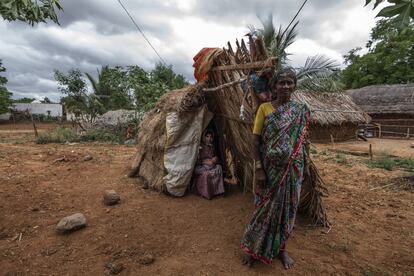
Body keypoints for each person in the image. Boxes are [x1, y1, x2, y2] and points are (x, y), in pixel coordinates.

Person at [240, 68, 310, 269]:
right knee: (264, 209)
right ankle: (252, 248)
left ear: (294, 86)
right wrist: (259, 168)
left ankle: (281, 250)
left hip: (293, 170)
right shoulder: (265, 109)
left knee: (287, 211)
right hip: (269, 170)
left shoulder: (301, 110)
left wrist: (304, 166)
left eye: (290, 82)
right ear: (274, 86)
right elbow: (255, 141)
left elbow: (303, 142)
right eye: (282, 83)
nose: (286, 86)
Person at [192, 130, 225, 199]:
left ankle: (217, 191)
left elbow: (213, 157)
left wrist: (215, 159)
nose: (209, 139)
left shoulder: (212, 147)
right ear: (204, 137)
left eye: (210, 137)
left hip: (210, 166)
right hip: (201, 167)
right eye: (207, 136)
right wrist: (206, 162)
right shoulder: (199, 147)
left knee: (219, 167)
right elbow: (197, 161)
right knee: (206, 174)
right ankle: (206, 193)